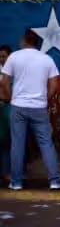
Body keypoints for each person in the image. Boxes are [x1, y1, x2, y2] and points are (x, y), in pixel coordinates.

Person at [0, 29, 60, 190]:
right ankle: (55, 181)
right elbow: (54, 85)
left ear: (23, 41)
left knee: (17, 144)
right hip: (39, 107)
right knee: (46, 143)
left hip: (18, 106)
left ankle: (16, 182)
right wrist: (44, 98)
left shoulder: (14, 56)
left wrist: (8, 98)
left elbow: (4, 81)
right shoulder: (47, 59)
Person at [0, 45, 12, 182]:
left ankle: (6, 172)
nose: (2, 59)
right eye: (0, 56)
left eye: (4, 56)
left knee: (6, 141)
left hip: (9, 108)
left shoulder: (14, 71)